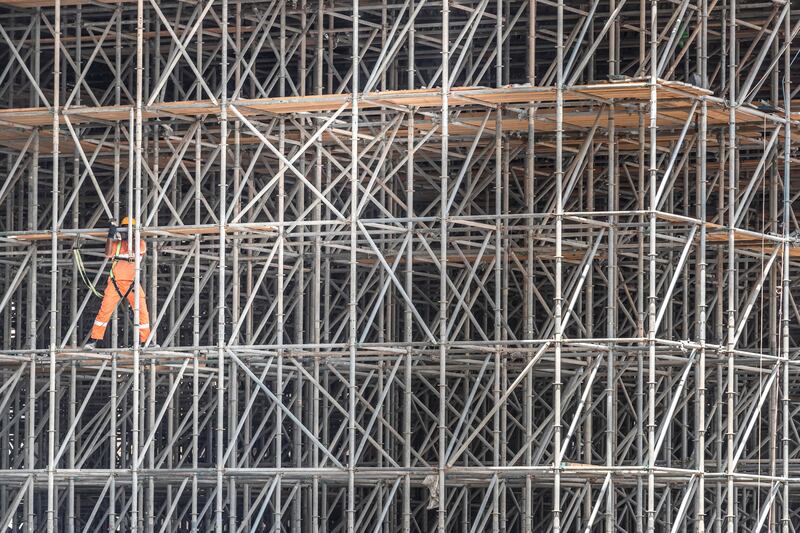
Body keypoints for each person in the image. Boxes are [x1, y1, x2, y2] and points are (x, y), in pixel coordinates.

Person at [84, 217, 152, 349]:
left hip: (132, 284)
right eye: (124, 230)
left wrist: (131, 235)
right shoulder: (117, 244)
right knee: (104, 312)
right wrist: (110, 236)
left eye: (128, 230)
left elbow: (136, 250)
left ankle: (146, 341)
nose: (126, 233)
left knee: (142, 312)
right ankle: (94, 340)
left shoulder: (140, 243)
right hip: (115, 284)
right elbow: (108, 253)